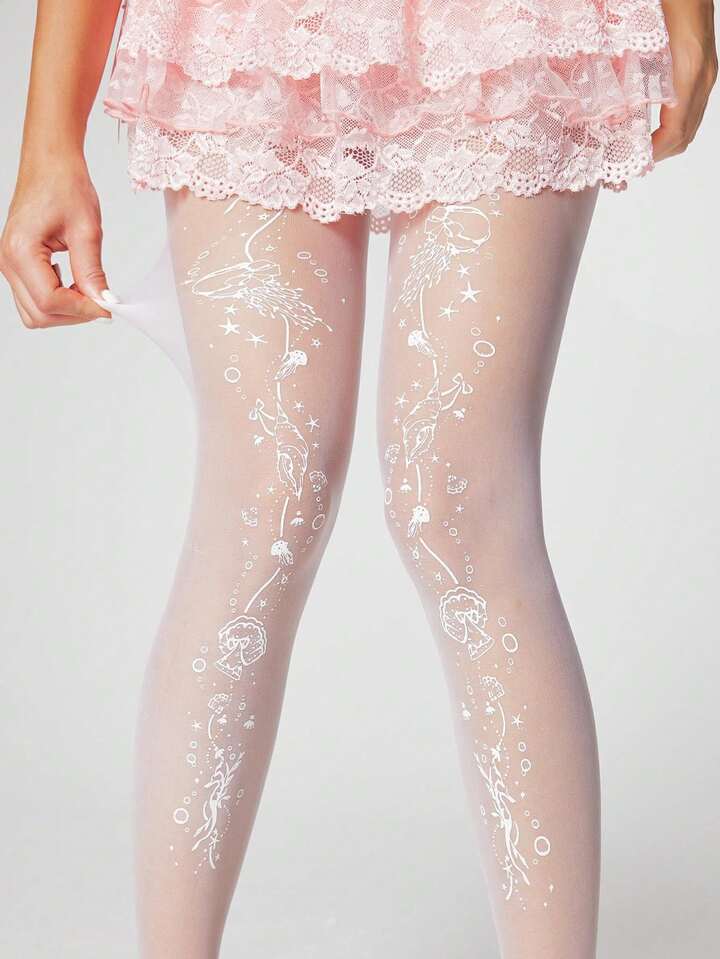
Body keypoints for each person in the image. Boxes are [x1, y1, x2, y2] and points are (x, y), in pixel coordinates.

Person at [0, 3, 716, 958]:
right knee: (262, 504)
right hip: (253, 29)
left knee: (460, 506)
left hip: (500, 25)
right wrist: (50, 134)